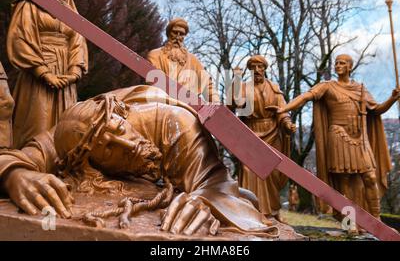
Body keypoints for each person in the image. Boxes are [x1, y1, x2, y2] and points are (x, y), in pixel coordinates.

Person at [0, 85, 279, 237]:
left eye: (121, 130)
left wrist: (204, 200)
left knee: (247, 197)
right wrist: (16, 175)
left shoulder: (175, 124)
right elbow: (13, 159)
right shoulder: (74, 135)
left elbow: (215, 183)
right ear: (91, 167)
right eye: (109, 150)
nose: (129, 145)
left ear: (121, 116)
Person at [269, 54, 400, 220]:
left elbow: (377, 109)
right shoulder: (327, 86)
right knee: (343, 182)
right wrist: (283, 109)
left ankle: (376, 218)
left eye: (342, 63)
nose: (338, 65)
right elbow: (305, 97)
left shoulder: (360, 89)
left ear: (350, 67)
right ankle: (350, 221)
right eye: (336, 63)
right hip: (338, 136)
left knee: (370, 177)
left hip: (360, 139)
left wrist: (392, 98)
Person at [7, 0, 88, 149]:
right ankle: (29, 168)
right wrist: (44, 73)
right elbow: (22, 38)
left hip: (66, 75)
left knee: (66, 125)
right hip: (39, 72)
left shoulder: (70, 11)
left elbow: (78, 40)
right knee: (37, 123)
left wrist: (75, 71)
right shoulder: (28, 4)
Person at [0, 0, 62, 149]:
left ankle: (7, 168)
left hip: (61, 71)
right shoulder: (26, 6)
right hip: (41, 69)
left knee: (4, 103)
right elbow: (21, 39)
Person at [231, 55, 296, 222]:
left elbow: (282, 111)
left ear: (265, 68)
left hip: (272, 132)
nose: (257, 70)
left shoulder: (274, 89)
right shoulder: (244, 88)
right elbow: (233, 105)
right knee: (249, 170)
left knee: (272, 173)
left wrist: (287, 124)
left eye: (260, 67)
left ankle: (273, 212)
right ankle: (250, 210)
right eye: (253, 67)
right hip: (250, 132)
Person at [147, 18, 220, 103]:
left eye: (181, 34)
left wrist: (216, 102)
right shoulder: (155, 55)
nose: (177, 37)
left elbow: (207, 84)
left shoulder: (193, 60)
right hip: (164, 103)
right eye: (174, 32)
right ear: (168, 33)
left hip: (189, 105)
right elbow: (155, 83)